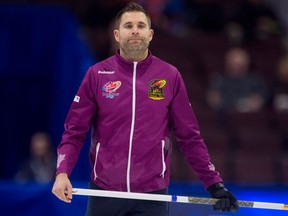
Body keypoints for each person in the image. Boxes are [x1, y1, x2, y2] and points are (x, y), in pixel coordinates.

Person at [52, 2, 238, 215]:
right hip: (105, 192)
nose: (134, 30)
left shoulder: (170, 76)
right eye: (128, 25)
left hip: (152, 194)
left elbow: (190, 138)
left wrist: (215, 185)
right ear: (116, 34)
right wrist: (62, 173)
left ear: (150, 34)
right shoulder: (97, 74)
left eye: (140, 26)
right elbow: (74, 132)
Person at [206, 47, 268, 112]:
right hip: (225, 114)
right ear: (228, 63)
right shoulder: (219, 79)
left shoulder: (255, 79)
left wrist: (258, 99)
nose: (237, 68)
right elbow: (213, 96)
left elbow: (263, 95)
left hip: (249, 114)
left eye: (240, 65)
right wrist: (214, 98)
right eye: (234, 64)